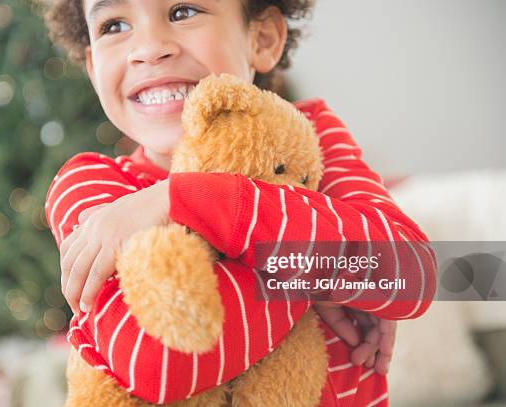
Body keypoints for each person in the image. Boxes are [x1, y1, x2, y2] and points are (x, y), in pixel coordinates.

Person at [42, 0, 437, 405]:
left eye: (182, 12)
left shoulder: (311, 141)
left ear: (262, 38)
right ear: (93, 68)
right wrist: (317, 277)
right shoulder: (91, 189)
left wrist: (187, 198)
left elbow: (409, 276)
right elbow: (160, 362)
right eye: (113, 25)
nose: (148, 48)